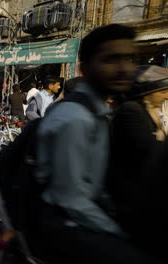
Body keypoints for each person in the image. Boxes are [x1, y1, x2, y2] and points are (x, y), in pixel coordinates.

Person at [31, 24, 162, 264]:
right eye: (111, 59)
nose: (124, 68)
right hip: (63, 223)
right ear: (85, 67)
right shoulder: (75, 118)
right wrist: (118, 231)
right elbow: (71, 199)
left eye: (130, 58)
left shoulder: (98, 111)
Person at [108, 65, 168, 259]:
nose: (165, 96)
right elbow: (150, 150)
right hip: (129, 201)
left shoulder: (148, 112)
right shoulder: (131, 111)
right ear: (146, 93)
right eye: (162, 92)